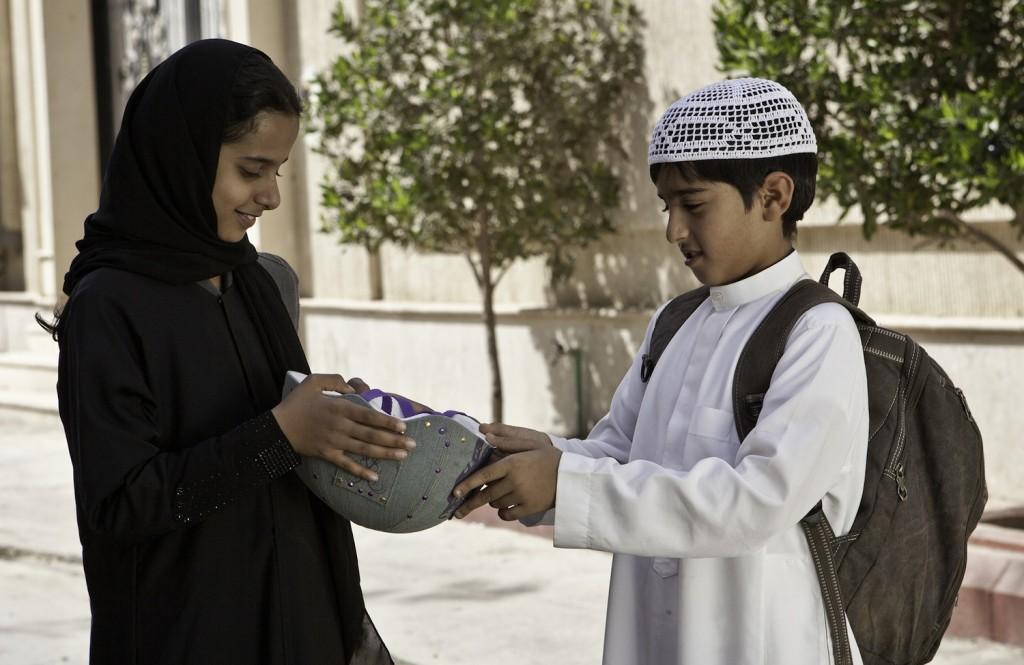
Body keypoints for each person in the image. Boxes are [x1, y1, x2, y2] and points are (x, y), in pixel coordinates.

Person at [453, 77, 870, 664]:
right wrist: (538, 458)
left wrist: (567, 483)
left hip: (761, 640)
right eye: (667, 206)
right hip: (651, 634)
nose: (674, 230)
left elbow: (756, 501)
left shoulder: (817, 331)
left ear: (774, 196)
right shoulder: (675, 322)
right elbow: (621, 454)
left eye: (693, 204)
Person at [46, 39, 413, 665]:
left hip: (303, 626)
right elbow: (120, 503)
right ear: (181, 156)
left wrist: (336, 422)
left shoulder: (255, 282)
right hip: (188, 636)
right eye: (251, 170)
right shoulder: (109, 305)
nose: (270, 196)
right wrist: (282, 432)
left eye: (278, 171)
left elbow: (286, 438)